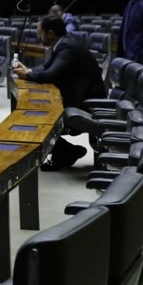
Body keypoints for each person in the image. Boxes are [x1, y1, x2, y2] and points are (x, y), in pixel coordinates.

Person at [11, 13, 107, 170]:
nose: (38, 36)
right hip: (77, 96)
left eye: (40, 32)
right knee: (33, 113)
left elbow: (51, 74)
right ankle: (67, 152)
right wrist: (28, 70)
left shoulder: (68, 48)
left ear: (50, 33)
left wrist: (27, 74)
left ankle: (66, 152)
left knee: (36, 117)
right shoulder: (63, 44)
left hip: (86, 104)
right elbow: (47, 67)